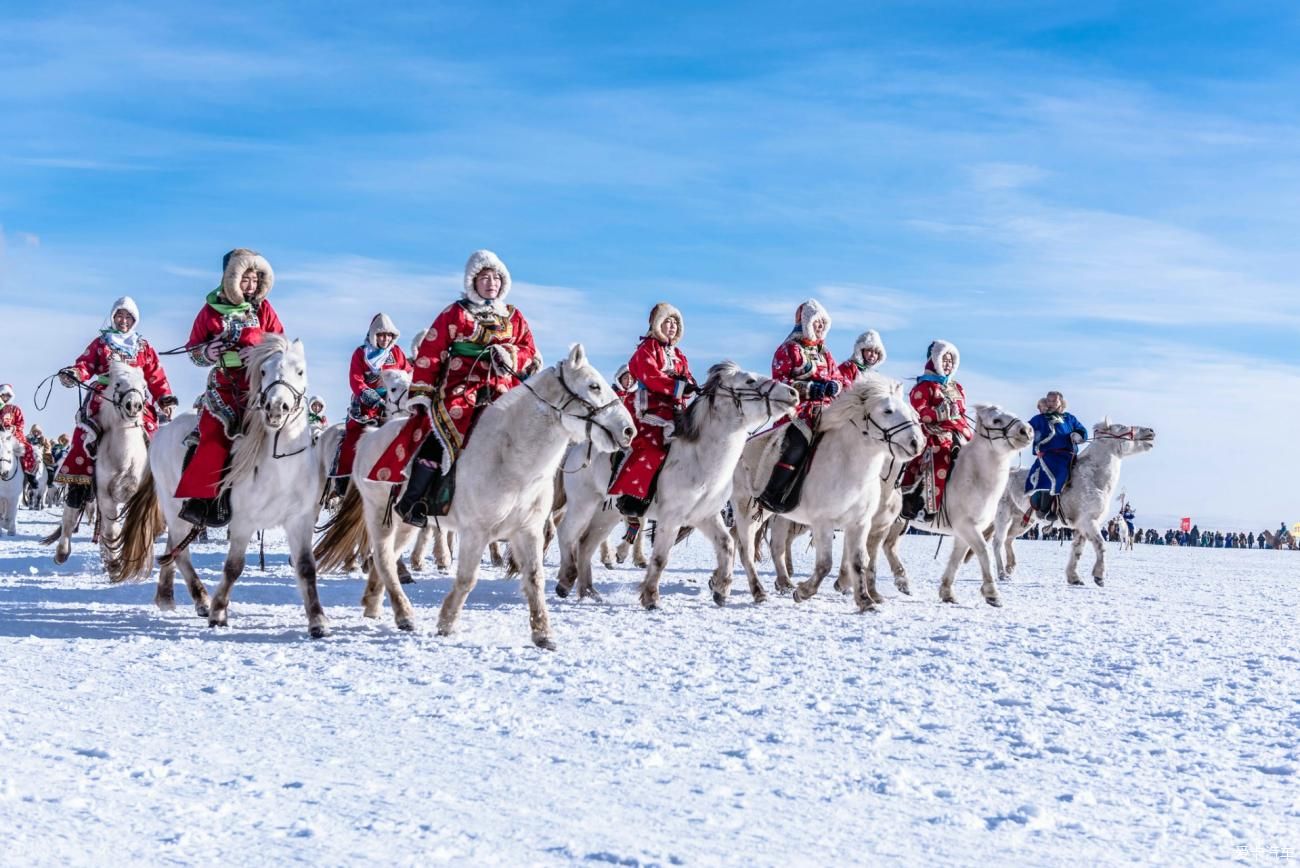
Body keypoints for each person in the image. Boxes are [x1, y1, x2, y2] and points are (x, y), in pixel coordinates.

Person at [369, 250, 540, 527]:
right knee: (442, 431)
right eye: (484, 277)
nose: (491, 283)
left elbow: (528, 349)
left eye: (496, 277)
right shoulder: (456, 312)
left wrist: (509, 354)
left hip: (502, 387)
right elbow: (432, 350)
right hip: (461, 385)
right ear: (473, 281)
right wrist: (423, 392)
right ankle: (415, 500)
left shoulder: (513, 316)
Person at [174, 249, 283, 527]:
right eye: (245, 279)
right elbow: (193, 351)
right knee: (214, 436)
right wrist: (209, 351)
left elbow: (281, 341)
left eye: (255, 280)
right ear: (230, 278)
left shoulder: (264, 309)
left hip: (260, 383)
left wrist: (260, 348)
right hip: (225, 384)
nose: (251, 285)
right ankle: (203, 500)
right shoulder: (210, 310)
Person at [52, 297, 177, 509]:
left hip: (134, 400)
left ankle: (154, 483)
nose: (123, 320)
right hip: (105, 396)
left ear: (135, 319)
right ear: (112, 317)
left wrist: (164, 398)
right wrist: (74, 374)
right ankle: (79, 486)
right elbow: (86, 364)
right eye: (119, 315)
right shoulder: (101, 343)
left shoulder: (143, 346)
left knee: (152, 432)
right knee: (84, 433)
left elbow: (156, 375)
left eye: (128, 316)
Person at [608, 303, 696, 519]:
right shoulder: (646, 348)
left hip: (676, 410)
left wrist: (689, 386)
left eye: (676, 322)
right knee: (651, 449)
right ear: (657, 324)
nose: (672, 326)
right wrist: (677, 386)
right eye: (668, 321)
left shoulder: (678, 355)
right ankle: (633, 496)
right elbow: (650, 376)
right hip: (650, 409)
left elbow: (688, 377)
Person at [757, 299, 846, 512]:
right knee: (798, 443)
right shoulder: (788, 350)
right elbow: (779, 382)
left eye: (823, 323)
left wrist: (835, 386)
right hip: (798, 411)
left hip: (826, 410)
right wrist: (810, 389)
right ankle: (772, 492)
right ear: (805, 322)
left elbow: (839, 378)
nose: (820, 327)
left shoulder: (826, 353)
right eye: (817, 322)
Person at [330, 313, 411, 496]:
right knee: (354, 436)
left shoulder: (396, 353)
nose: (385, 339)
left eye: (388, 335)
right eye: (381, 335)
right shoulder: (361, 353)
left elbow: (407, 372)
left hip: (393, 403)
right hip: (367, 405)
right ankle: (343, 477)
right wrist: (372, 397)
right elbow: (356, 380)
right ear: (373, 335)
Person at [899, 340, 973, 521]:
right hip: (933, 431)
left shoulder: (956, 387)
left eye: (950, 360)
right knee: (940, 455)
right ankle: (924, 504)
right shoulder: (924, 386)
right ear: (935, 360)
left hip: (960, 432)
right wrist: (941, 412)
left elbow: (962, 412)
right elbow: (920, 412)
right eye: (944, 360)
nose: (947, 364)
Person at [1023, 391, 1088, 520]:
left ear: (1061, 403)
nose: (1051, 403)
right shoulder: (1040, 418)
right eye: (1048, 401)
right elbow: (1026, 428)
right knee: (1057, 472)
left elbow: (1082, 430)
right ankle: (1046, 508)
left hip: (1070, 455)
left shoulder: (1069, 418)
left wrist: (1079, 435)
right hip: (1049, 456)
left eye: (1054, 401)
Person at [0, 384, 38, 481]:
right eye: (4, 395)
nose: (5, 397)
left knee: (27, 448)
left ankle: (28, 473)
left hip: (13, 434)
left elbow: (21, 423)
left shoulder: (15, 409)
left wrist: (14, 428)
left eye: (8, 395)